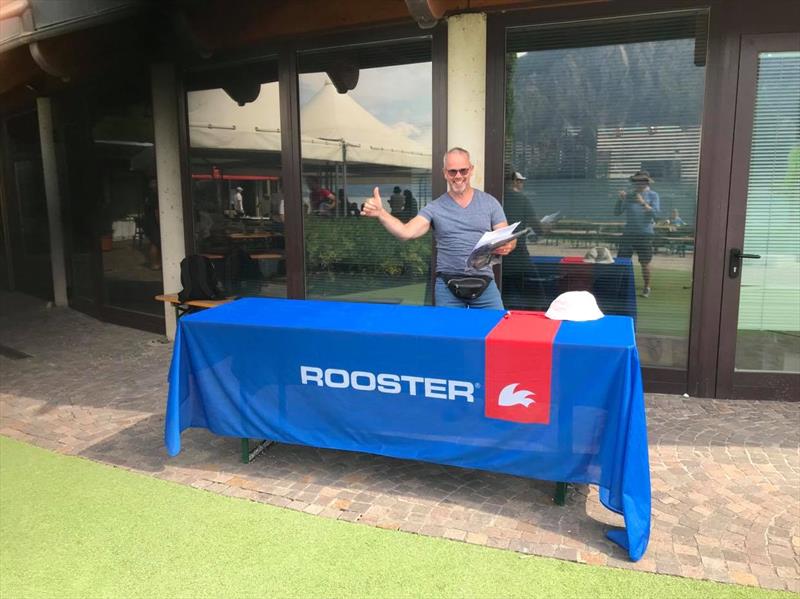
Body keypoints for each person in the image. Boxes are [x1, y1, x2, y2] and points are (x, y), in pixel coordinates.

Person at [361, 147, 515, 310]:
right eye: (452, 172)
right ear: (444, 173)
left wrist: (509, 244)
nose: (458, 176)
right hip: (448, 287)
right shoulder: (435, 208)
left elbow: (507, 236)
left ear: (471, 170)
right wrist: (381, 213)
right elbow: (406, 232)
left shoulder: (489, 203)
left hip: (485, 283)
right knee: (448, 335)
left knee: (496, 328)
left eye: (463, 171)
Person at [500, 170, 544, 308]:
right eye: (519, 181)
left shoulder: (491, 199)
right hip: (519, 260)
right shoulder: (521, 199)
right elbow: (539, 229)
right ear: (514, 181)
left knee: (502, 303)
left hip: (497, 264)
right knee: (537, 301)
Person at [615, 170, 660, 298]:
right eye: (636, 181)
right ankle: (620, 287)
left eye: (641, 180)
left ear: (646, 182)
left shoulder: (653, 195)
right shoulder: (629, 196)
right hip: (629, 233)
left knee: (645, 262)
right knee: (622, 261)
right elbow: (617, 212)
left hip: (645, 234)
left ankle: (646, 287)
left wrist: (642, 202)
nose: (638, 183)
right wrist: (620, 200)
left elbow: (656, 215)